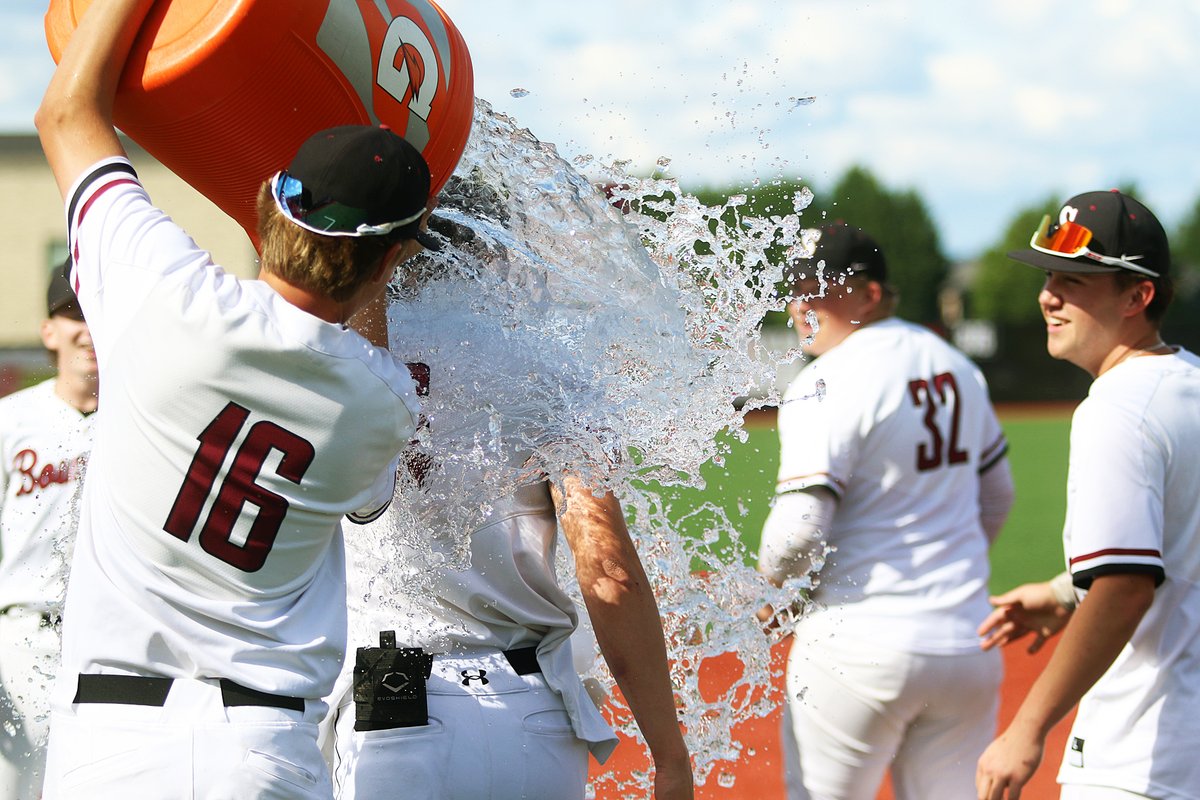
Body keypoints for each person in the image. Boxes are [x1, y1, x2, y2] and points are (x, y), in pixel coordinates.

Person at [34, 0, 439, 796]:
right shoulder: (383, 399)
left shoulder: (166, 294)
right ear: (388, 262)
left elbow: (65, 111)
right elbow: (369, 498)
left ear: (266, 205)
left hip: (107, 743)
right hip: (263, 750)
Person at [324, 206, 694, 799]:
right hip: (535, 711)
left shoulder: (339, 358)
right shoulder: (546, 371)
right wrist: (669, 756)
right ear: (489, 253)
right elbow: (611, 573)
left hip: (390, 698)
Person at [756, 222, 1015, 800]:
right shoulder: (955, 365)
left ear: (871, 294)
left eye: (821, 286)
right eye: (796, 287)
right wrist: (949, 572)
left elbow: (798, 533)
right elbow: (997, 496)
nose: (803, 302)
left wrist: (767, 591)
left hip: (855, 647)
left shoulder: (823, 380)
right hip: (965, 644)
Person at [975, 190, 1200, 800]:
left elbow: (1125, 587)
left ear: (1138, 295)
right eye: (1050, 277)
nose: (1048, 296)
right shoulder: (1190, 384)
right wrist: (1062, 592)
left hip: (1142, 757)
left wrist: (1026, 729)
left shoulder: (1118, 408)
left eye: (1075, 280)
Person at [0, 264, 97, 800]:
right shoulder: (11, 420)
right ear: (49, 331)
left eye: (94, 315)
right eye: (71, 315)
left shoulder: (141, 424)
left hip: (107, 642)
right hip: (22, 635)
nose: (85, 329)